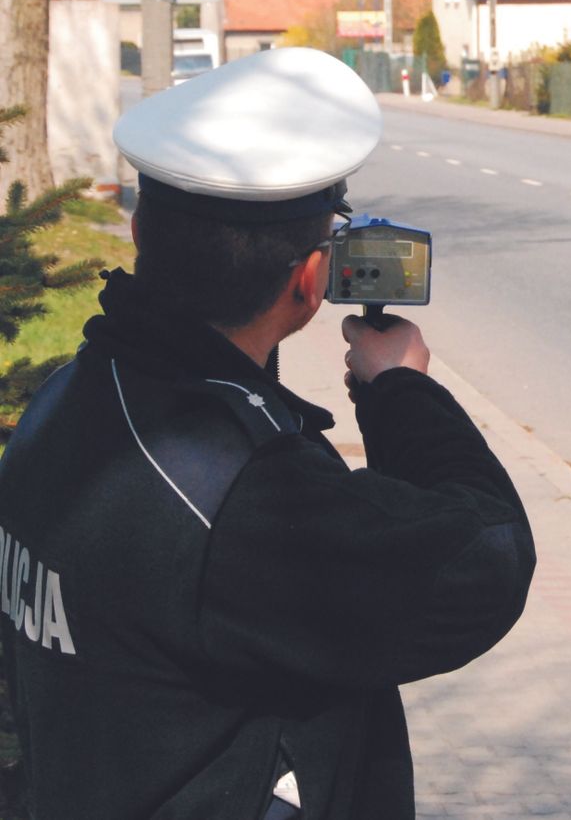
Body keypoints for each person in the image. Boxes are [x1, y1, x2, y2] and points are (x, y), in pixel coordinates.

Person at [0, 47, 536, 819]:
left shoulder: (70, 398)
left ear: (141, 225)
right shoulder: (238, 496)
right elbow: (483, 559)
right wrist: (402, 394)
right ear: (312, 280)